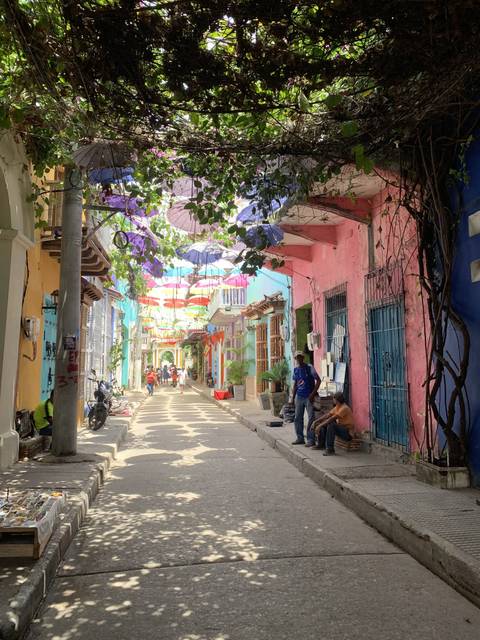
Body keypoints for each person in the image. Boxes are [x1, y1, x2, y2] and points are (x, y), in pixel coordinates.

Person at [291, 351, 320, 446]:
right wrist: (292, 398)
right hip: (299, 396)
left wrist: (313, 394)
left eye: (300, 357)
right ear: (295, 359)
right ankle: (300, 438)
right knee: (297, 418)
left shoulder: (309, 368)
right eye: (297, 358)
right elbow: (295, 384)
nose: (298, 359)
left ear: (303, 358)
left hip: (309, 396)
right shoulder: (295, 369)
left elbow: (318, 380)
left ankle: (311, 439)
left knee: (311, 417)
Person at [313, 391, 355, 455]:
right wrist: (316, 422)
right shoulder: (338, 407)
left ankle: (330, 449)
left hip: (348, 433)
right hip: (341, 429)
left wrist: (319, 426)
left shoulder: (344, 408)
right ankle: (321, 444)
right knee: (324, 424)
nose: (333, 400)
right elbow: (328, 415)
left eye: (333, 399)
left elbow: (332, 418)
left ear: (336, 400)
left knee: (331, 425)